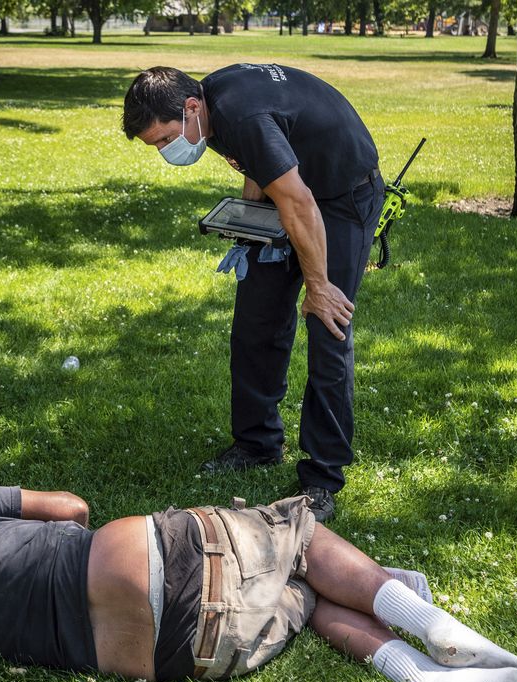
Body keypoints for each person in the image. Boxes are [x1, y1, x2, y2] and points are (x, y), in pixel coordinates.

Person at [0, 482, 517, 682]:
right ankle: (431, 621)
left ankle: (422, 681)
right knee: (299, 537)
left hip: (179, 655)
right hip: (131, 564)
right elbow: (70, 507)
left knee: (300, 597)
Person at [121, 65, 385, 522]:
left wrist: (318, 286)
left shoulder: (241, 116)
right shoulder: (209, 106)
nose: (166, 151)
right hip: (295, 192)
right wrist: (250, 225)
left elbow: (299, 201)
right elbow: (262, 168)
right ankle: (257, 443)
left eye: (165, 139)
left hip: (341, 196)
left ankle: (322, 477)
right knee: (256, 319)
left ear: (190, 108)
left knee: (328, 326)